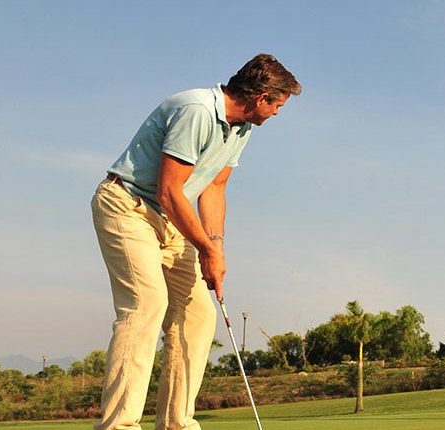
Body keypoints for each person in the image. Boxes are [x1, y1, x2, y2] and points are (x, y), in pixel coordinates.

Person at [91, 53, 300, 430]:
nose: (278, 113)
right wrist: (203, 247)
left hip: (170, 219)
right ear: (261, 96)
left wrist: (215, 246)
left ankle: (176, 423)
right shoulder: (197, 110)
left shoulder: (241, 128)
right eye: (278, 105)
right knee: (146, 304)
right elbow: (170, 190)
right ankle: (119, 425)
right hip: (128, 205)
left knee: (199, 315)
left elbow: (215, 187)